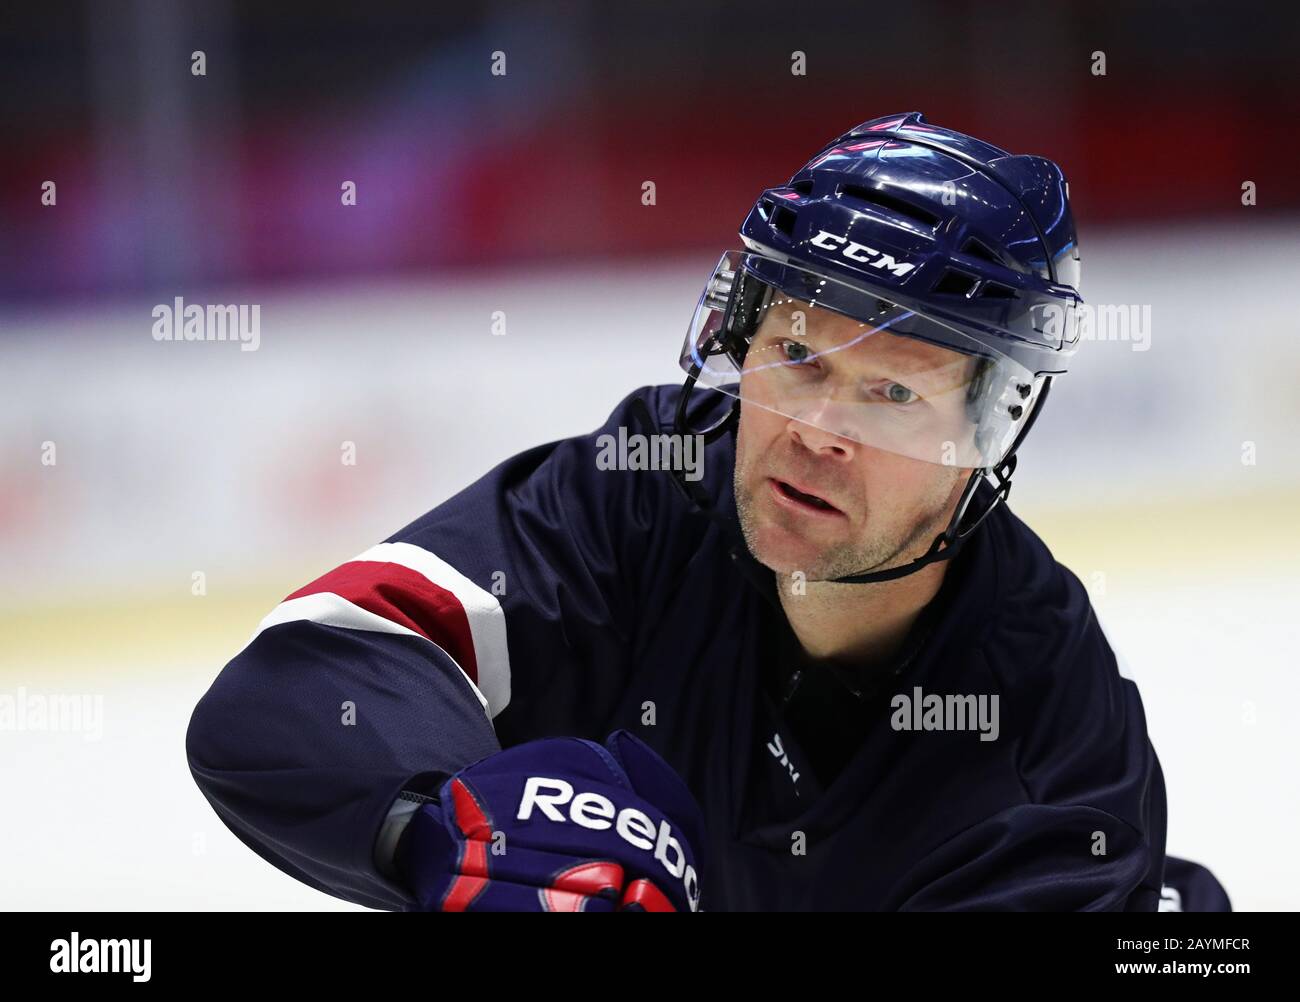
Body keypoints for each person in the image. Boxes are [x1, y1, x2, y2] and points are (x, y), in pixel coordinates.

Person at [186, 112, 1229, 911]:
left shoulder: (1047, 736)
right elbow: (300, 688)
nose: (817, 429)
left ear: (988, 434)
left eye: (893, 393)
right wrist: (441, 830)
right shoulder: (645, 493)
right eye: (795, 354)